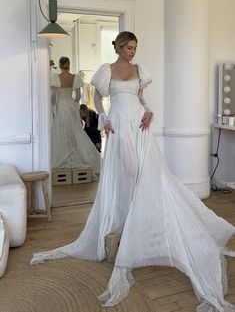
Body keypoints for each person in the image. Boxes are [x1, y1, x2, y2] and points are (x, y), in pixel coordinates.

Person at [32, 33, 235, 312]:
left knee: (148, 176)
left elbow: (141, 96)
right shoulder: (107, 70)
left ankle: (150, 228)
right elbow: (97, 97)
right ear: (117, 47)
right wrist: (102, 117)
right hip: (118, 126)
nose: (132, 53)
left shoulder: (140, 71)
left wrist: (149, 110)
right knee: (125, 175)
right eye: (128, 48)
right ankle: (127, 225)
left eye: (135, 48)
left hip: (139, 125)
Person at [50, 56, 100, 180]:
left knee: (61, 132)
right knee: (75, 132)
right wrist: (73, 104)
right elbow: (77, 96)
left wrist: (53, 109)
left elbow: (53, 96)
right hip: (71, 107)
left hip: (61, 106)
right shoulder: (75, 78)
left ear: (60, 65)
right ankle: (76, 156)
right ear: (69, 64)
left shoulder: (56, 78)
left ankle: (63, 157)